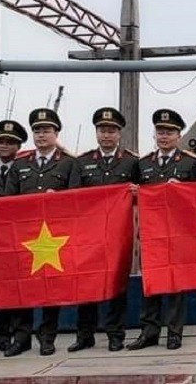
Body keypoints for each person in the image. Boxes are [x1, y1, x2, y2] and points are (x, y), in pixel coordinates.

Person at [2, 108, 76, 357]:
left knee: (50, 288)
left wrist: (59, 198)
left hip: (55, 237)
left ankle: (47, 337)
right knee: (23, 287)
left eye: (46, 130)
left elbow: (77, 200)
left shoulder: (68, 164)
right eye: (37, 131)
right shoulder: (20, 164)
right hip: (26, 237)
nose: (41, 135)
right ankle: (21, 338)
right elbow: (7, 201)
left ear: (56, 133)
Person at [128, 109, 196, 351]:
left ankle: (174, 332)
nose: (164, 136)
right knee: (150, 283)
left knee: (175, 284)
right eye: (160, 132)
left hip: (178, 233)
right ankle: (149, 332)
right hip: (151, 234)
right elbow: (132, 196)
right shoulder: (143, 164)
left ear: (178, 135)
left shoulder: (191, 163)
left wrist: (182, 189)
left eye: (169, 132)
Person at [70, 107, 139, 353]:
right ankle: (84, 334)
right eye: (102, 130)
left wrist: (136, 193)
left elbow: (143, 193)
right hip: (88, 235)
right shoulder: (82, 162)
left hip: (117, 234)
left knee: (116, 284)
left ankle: (115, 335)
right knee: (86, 283)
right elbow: (73, 198)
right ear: (96, 133)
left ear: (119, 134)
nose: (106, 135)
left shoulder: (131, 162)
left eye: (111, 131)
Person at [0, 118, 28, 353]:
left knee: (20, 287)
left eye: (9, 142)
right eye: (0, 141)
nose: (3, 146)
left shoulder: (25, 168)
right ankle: (0, 335)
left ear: (18, 146)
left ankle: (20, 335)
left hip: (22, 237)